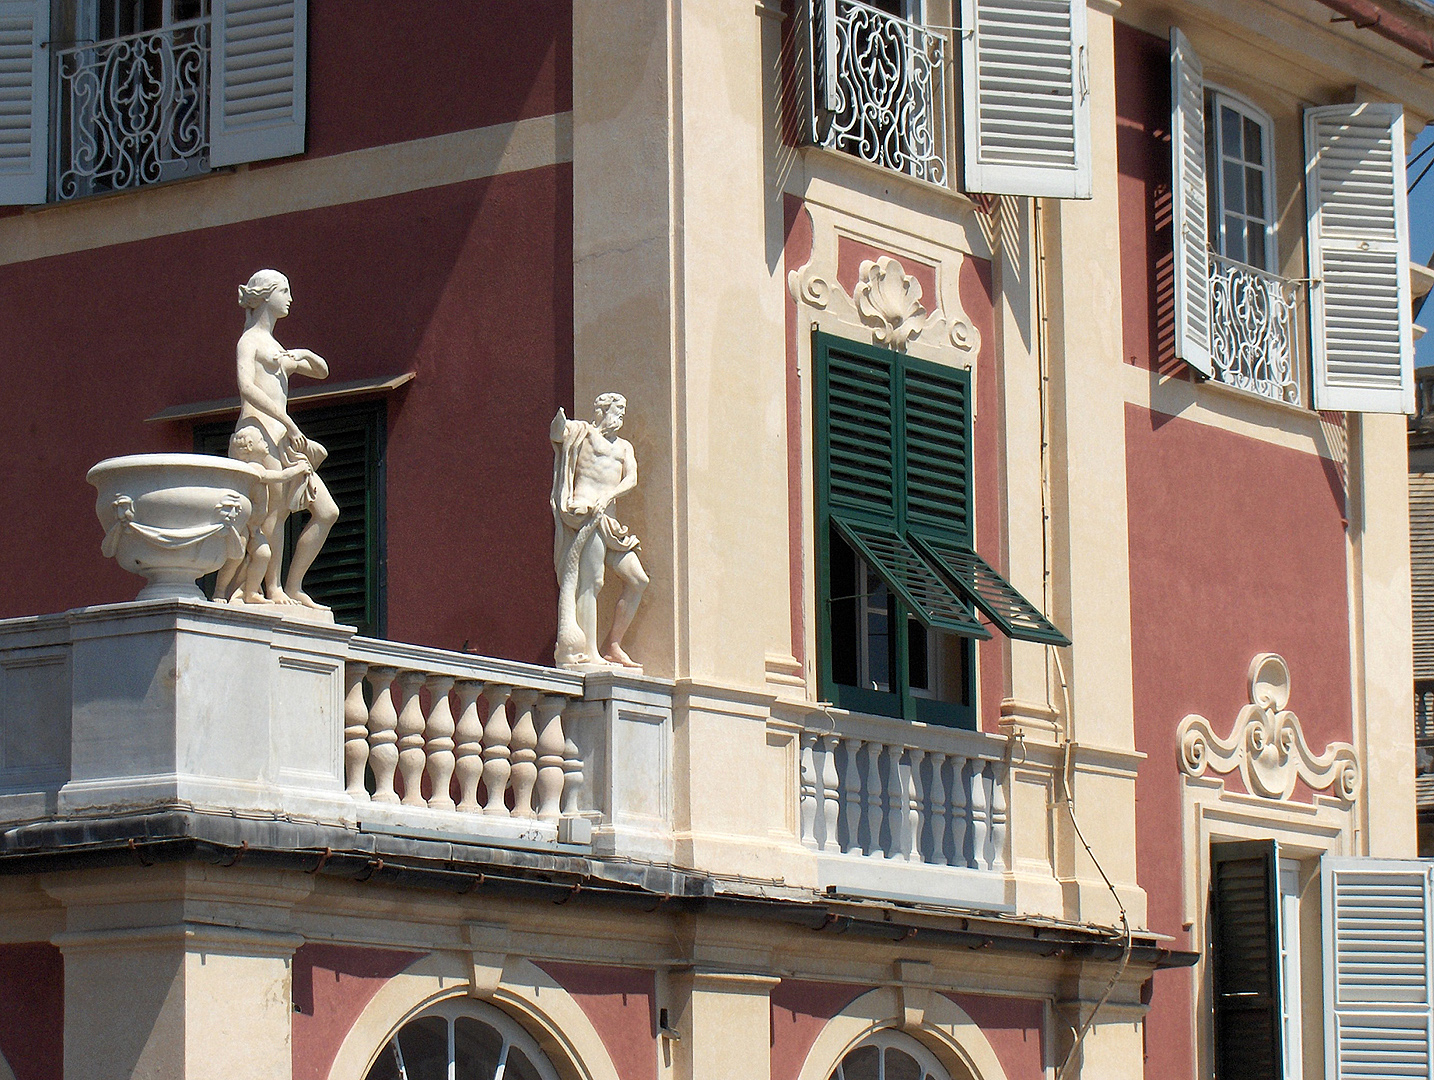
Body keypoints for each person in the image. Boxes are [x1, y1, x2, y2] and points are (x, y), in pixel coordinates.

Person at [219, 269, 338, 609]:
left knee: (326, 512)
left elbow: (322, 370)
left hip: (282, 439)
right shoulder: (249, 341)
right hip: (259, 434)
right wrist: (287, 420)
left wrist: (298, 354)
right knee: (273, 517)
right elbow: (247, 388)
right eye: (284, 290)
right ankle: (266, 588)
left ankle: (293, 585)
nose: (290, 298)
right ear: (266, 295)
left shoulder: (275, 347)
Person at [549, 393, 649, 668]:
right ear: (602, 410)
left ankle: (612, 644)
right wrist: (558, 421)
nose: (621, 417)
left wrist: (610, 495)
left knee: (638, 580)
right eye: (618, 411)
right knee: (592, 582)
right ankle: (589, 652)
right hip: (586, 513)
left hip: (609, 519)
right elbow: (559, 434)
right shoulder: (583, 434)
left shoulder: (624, 447)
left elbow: (632, 477)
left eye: (623, 412)